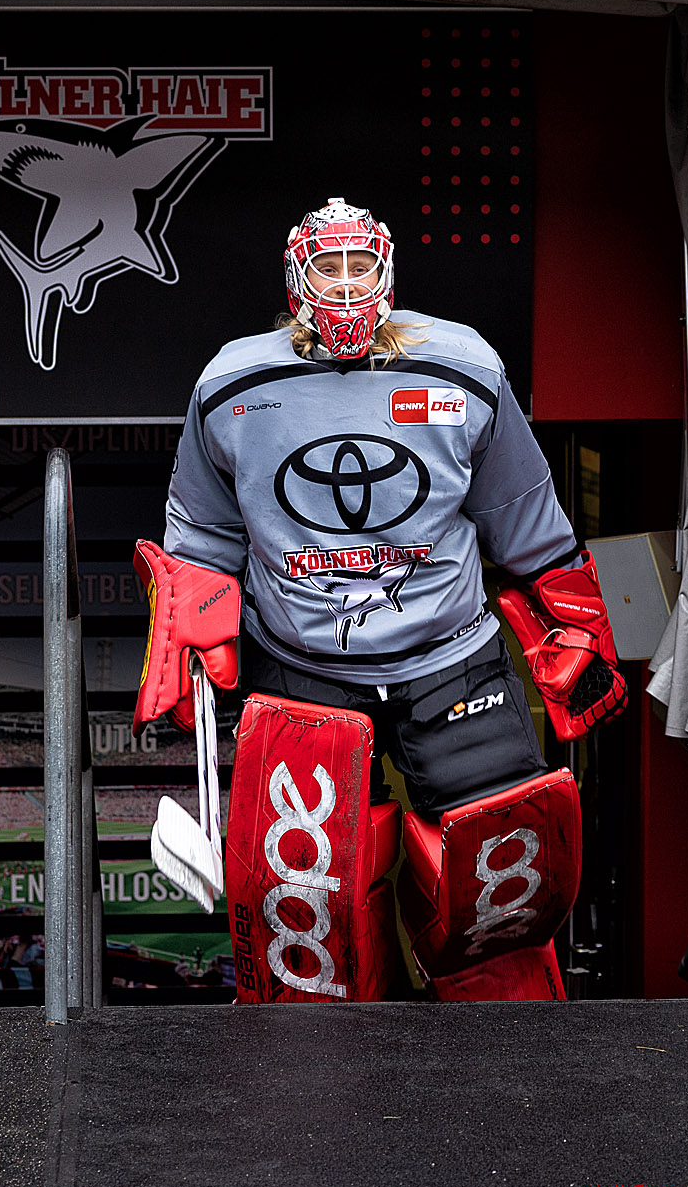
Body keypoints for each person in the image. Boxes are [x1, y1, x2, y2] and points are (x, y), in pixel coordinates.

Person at [133, 198, 626, 1003]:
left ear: (387, 273)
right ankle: (326, 1104)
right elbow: (202, 533)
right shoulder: (232, 384)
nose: (347, 283)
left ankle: (512, 1087)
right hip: (302, 667)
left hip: (452, 660)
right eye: (329, 267)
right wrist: (188, 631)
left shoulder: (464, 368)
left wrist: (576, 622)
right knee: (310, 915)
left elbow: (525, 516)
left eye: (360, 266)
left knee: (499, 894)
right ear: (296, 280)